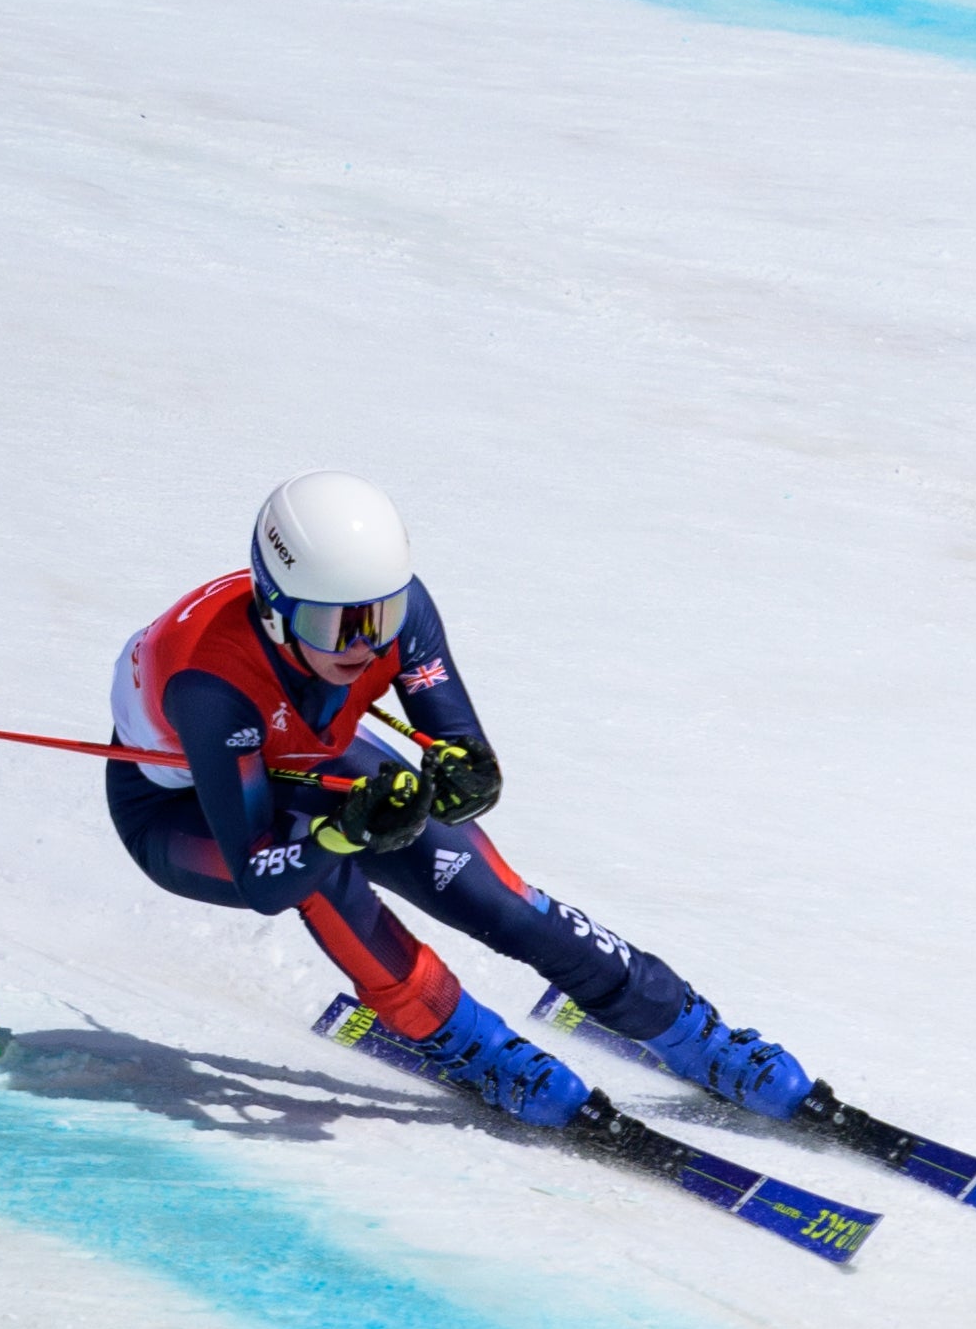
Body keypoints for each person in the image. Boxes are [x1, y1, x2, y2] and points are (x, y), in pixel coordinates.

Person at [97, 474, 820, 1132]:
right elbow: (264, 876)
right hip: (185, 812)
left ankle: (685, 1027)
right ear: (275, 609)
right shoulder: (209, 686)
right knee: (325, 880)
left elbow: (461, 750)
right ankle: (461, 1039)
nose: (362, 643)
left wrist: (465, 773)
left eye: (377, 616)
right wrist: (343, 834)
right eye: (334, 627)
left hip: (306, 758)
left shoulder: (400, 610)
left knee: (492, 895)